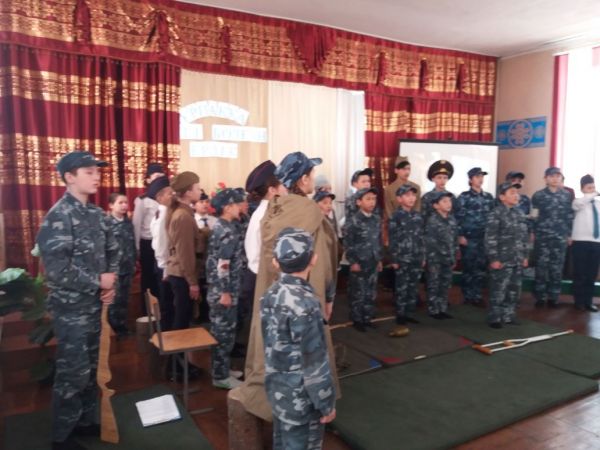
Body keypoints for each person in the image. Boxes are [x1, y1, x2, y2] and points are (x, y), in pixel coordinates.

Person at [236, 151, 339, 422]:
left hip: (273, 292)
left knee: (274, 347)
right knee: (307, 351)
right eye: (311, 175)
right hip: (304, 291)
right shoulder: (308, 211)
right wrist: (328, 295)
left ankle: (271, 404)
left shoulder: (272, 209)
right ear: (303, 179)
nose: (313, 179)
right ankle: (313, 404)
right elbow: (324, 257)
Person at [36, 151, 119, 450]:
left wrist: (111, 283)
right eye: (89, 172)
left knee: (92, 370)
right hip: (71, 310)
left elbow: (112, 251)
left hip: (95, 306)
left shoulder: (96, 214)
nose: (97, 176)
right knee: (73, 372)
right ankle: (62, 436)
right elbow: (57, 271)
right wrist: (98, 281)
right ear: (69, 177)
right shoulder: (59, 216)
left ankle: (85, 421)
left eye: (97, 171)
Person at [260, 227, 336, 450]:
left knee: (282, 442)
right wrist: (326, 403)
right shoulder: (306, 305)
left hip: (278, 390)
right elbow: (314, 363)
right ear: (313, 259)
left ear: (275, 262)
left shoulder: (270, 294)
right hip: (302, 400)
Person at [207, 188, 246, 389]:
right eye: (237, 204)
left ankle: (223, 368)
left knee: (226, 333)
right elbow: (223, 264)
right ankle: (220, 376)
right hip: (223, 292)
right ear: (227, 207)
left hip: (225, 289)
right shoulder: (226, 231)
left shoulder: (225, 226)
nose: (240, 207)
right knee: (223, 334)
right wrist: (224, 292)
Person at [485, 182, 529, 328]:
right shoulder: (496, 214)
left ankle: (508, 315)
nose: (516, 195)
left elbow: (524, 237)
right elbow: (490, 238)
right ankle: (495, 318)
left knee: (514, 290)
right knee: (499, 289)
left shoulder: (519, 213)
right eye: (512, 193)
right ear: (502, 197)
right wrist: (493, 258)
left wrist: (525, 256)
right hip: (502, 259)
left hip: (517, 258)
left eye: (517, 192)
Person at [165, 172, 203, 330]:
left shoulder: (182, 212)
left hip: (180, 274)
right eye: (197, 188)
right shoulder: (183, 216)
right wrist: (192, 283)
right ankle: (178, 347)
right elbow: (185, 253)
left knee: (183, 317)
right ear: (188, 192)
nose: (200, 191)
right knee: (182, 320)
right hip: (182, 275)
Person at [531, 167, 574, 308]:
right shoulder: (538, 195)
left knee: (557, 268)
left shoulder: (566, 195)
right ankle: (540, 297)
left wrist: (569, 234)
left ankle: (553, 297)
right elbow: (534, 216)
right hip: (542, 237)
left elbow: (569, 216)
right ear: (546, 178)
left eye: (558, 176)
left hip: (560, 237)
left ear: (561, 178)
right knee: (541, 267)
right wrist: (532, 232)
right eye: (552, 176)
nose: (555, 179)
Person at [344, 187, 383, 331]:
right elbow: (348, 243)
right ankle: (357, 319)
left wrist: (379, 259)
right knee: (358, 292)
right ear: (359, 202)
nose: (372, 202)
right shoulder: (353, 221)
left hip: (372, 260)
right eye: (368, 199)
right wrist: (353, 261)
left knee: (371, 292)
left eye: (374, 199)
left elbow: (378, 241)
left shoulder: (376, 219)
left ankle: (367, 317)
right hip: (359, 262)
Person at [455, 167, 495, 305]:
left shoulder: (488, 197)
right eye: (477, 176)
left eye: (482, 176)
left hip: (483, 238)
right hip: (469, 238)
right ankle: (468, 295)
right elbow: (458, 218)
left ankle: (477, 295)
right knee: (469, 267)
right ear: (471, 179)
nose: (480, 179)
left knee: (481, 268)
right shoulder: (464, 197)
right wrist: (460, 235)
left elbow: (492, 218)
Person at [389, 184, 424, 325]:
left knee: (413, 286)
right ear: (399, 199)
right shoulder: (396, 216)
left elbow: (421, 238)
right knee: (402, 287)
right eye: (407, 195)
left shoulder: (417, 216)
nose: (411, 198)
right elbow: (392, 239)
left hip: (416, 256)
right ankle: (400, 314)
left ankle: (410, 313)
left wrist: (423, 256)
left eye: (413, 195)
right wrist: (394, 258)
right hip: (402, 257)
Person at [132, 163, 164, 310]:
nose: (159, 179)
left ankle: (162, 310)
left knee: (162, 277)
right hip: (148, 244)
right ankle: (148, 312)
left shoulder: (166, 197)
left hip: (162, 243)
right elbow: (136, 225)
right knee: (148, 278)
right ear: (148, 179)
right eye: (156, 176)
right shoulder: (142, 200)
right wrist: (137, 248)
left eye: (161, 176)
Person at [106, 193, 137, 337]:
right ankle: (112, 330)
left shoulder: (128, 222)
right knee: (114, 300)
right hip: (113, 269)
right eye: (120, 202)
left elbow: (132, 244)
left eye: (126, 202)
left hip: (127, 267)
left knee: (124, 299)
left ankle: (122, 327)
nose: (124, 205)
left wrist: (134, 262)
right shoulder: (106, 223)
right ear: (111, 205)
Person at [425, 191, 458, 319]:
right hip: (435, 259)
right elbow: (430, 243)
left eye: (449, 201)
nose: (448, 204)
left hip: (448, 258)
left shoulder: (452, 219)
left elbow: (454, 239)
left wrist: (454, 254)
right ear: (436, 205)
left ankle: (442, 308)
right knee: (434, 284)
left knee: (445, 284)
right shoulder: (432, 221)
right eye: (444, 201)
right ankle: (433, 310)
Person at [148, 175, 175, 331]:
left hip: (162, 263)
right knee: (167, 303)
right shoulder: (163, 215)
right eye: (169, 193)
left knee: (167, 302)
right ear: (160, 197)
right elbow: (161, 244)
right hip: (164, 265)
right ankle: (167, 334)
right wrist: (165, 268)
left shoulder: (162, 212)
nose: (173, 196)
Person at [571, 175, 600, 312]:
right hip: (580, 242)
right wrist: (592, 194)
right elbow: (579, 204)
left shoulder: (598, 204)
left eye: (593, 187)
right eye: (589, 188)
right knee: (580, 273)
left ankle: (588, 302)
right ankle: (579, 302)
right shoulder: (578, 201)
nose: (592, 190)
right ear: (582, 189)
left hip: (596, 242)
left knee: (591, 274)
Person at [384, 156, 422, 220]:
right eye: (404, 169)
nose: (407, 172)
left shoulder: (416, 187)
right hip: (396, 223)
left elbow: (417, 208)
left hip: (413, 222)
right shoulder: (389, 189)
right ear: (396, 170)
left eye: (408, 169)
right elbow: (389, 210)